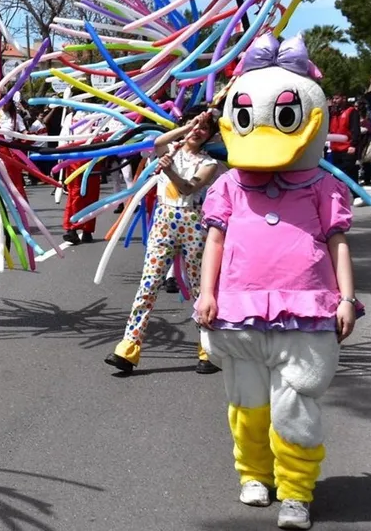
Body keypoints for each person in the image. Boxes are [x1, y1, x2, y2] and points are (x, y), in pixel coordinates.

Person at [196, 34, 357, 530]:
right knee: (246, 404)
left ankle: (296, 491)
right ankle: (253, 473)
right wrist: (206, 293)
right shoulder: (229, 185)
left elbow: (338, 243)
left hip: (306, 309)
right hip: (238, 308)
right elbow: (215, 242)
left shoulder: (323, 185)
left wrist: (347, 298)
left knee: (295, 406)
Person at [105, 107, 222, 375]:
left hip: (194, 224)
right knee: (147, 286)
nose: (198, 131)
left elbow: (188, 187)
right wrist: (188, 127)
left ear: (210, 135)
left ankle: (208, 350)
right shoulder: (168, 148)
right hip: (163, 223)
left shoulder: (209, 163)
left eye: (204, 128)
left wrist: (170, 172)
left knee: (200, 289)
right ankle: (128, 349)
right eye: (194, 125)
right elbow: (157, 142)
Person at [327, 93, 360, 183]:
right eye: (333, 99)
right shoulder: (333, 113)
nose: (334, 101)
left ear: (344, 98)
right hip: (335, 148)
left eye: (337, 98)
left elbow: (355, 129)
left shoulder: (351, 111)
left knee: (349, 174)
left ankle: (353, 191)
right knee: (337, 174)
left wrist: (353, 145)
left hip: (347, 148)